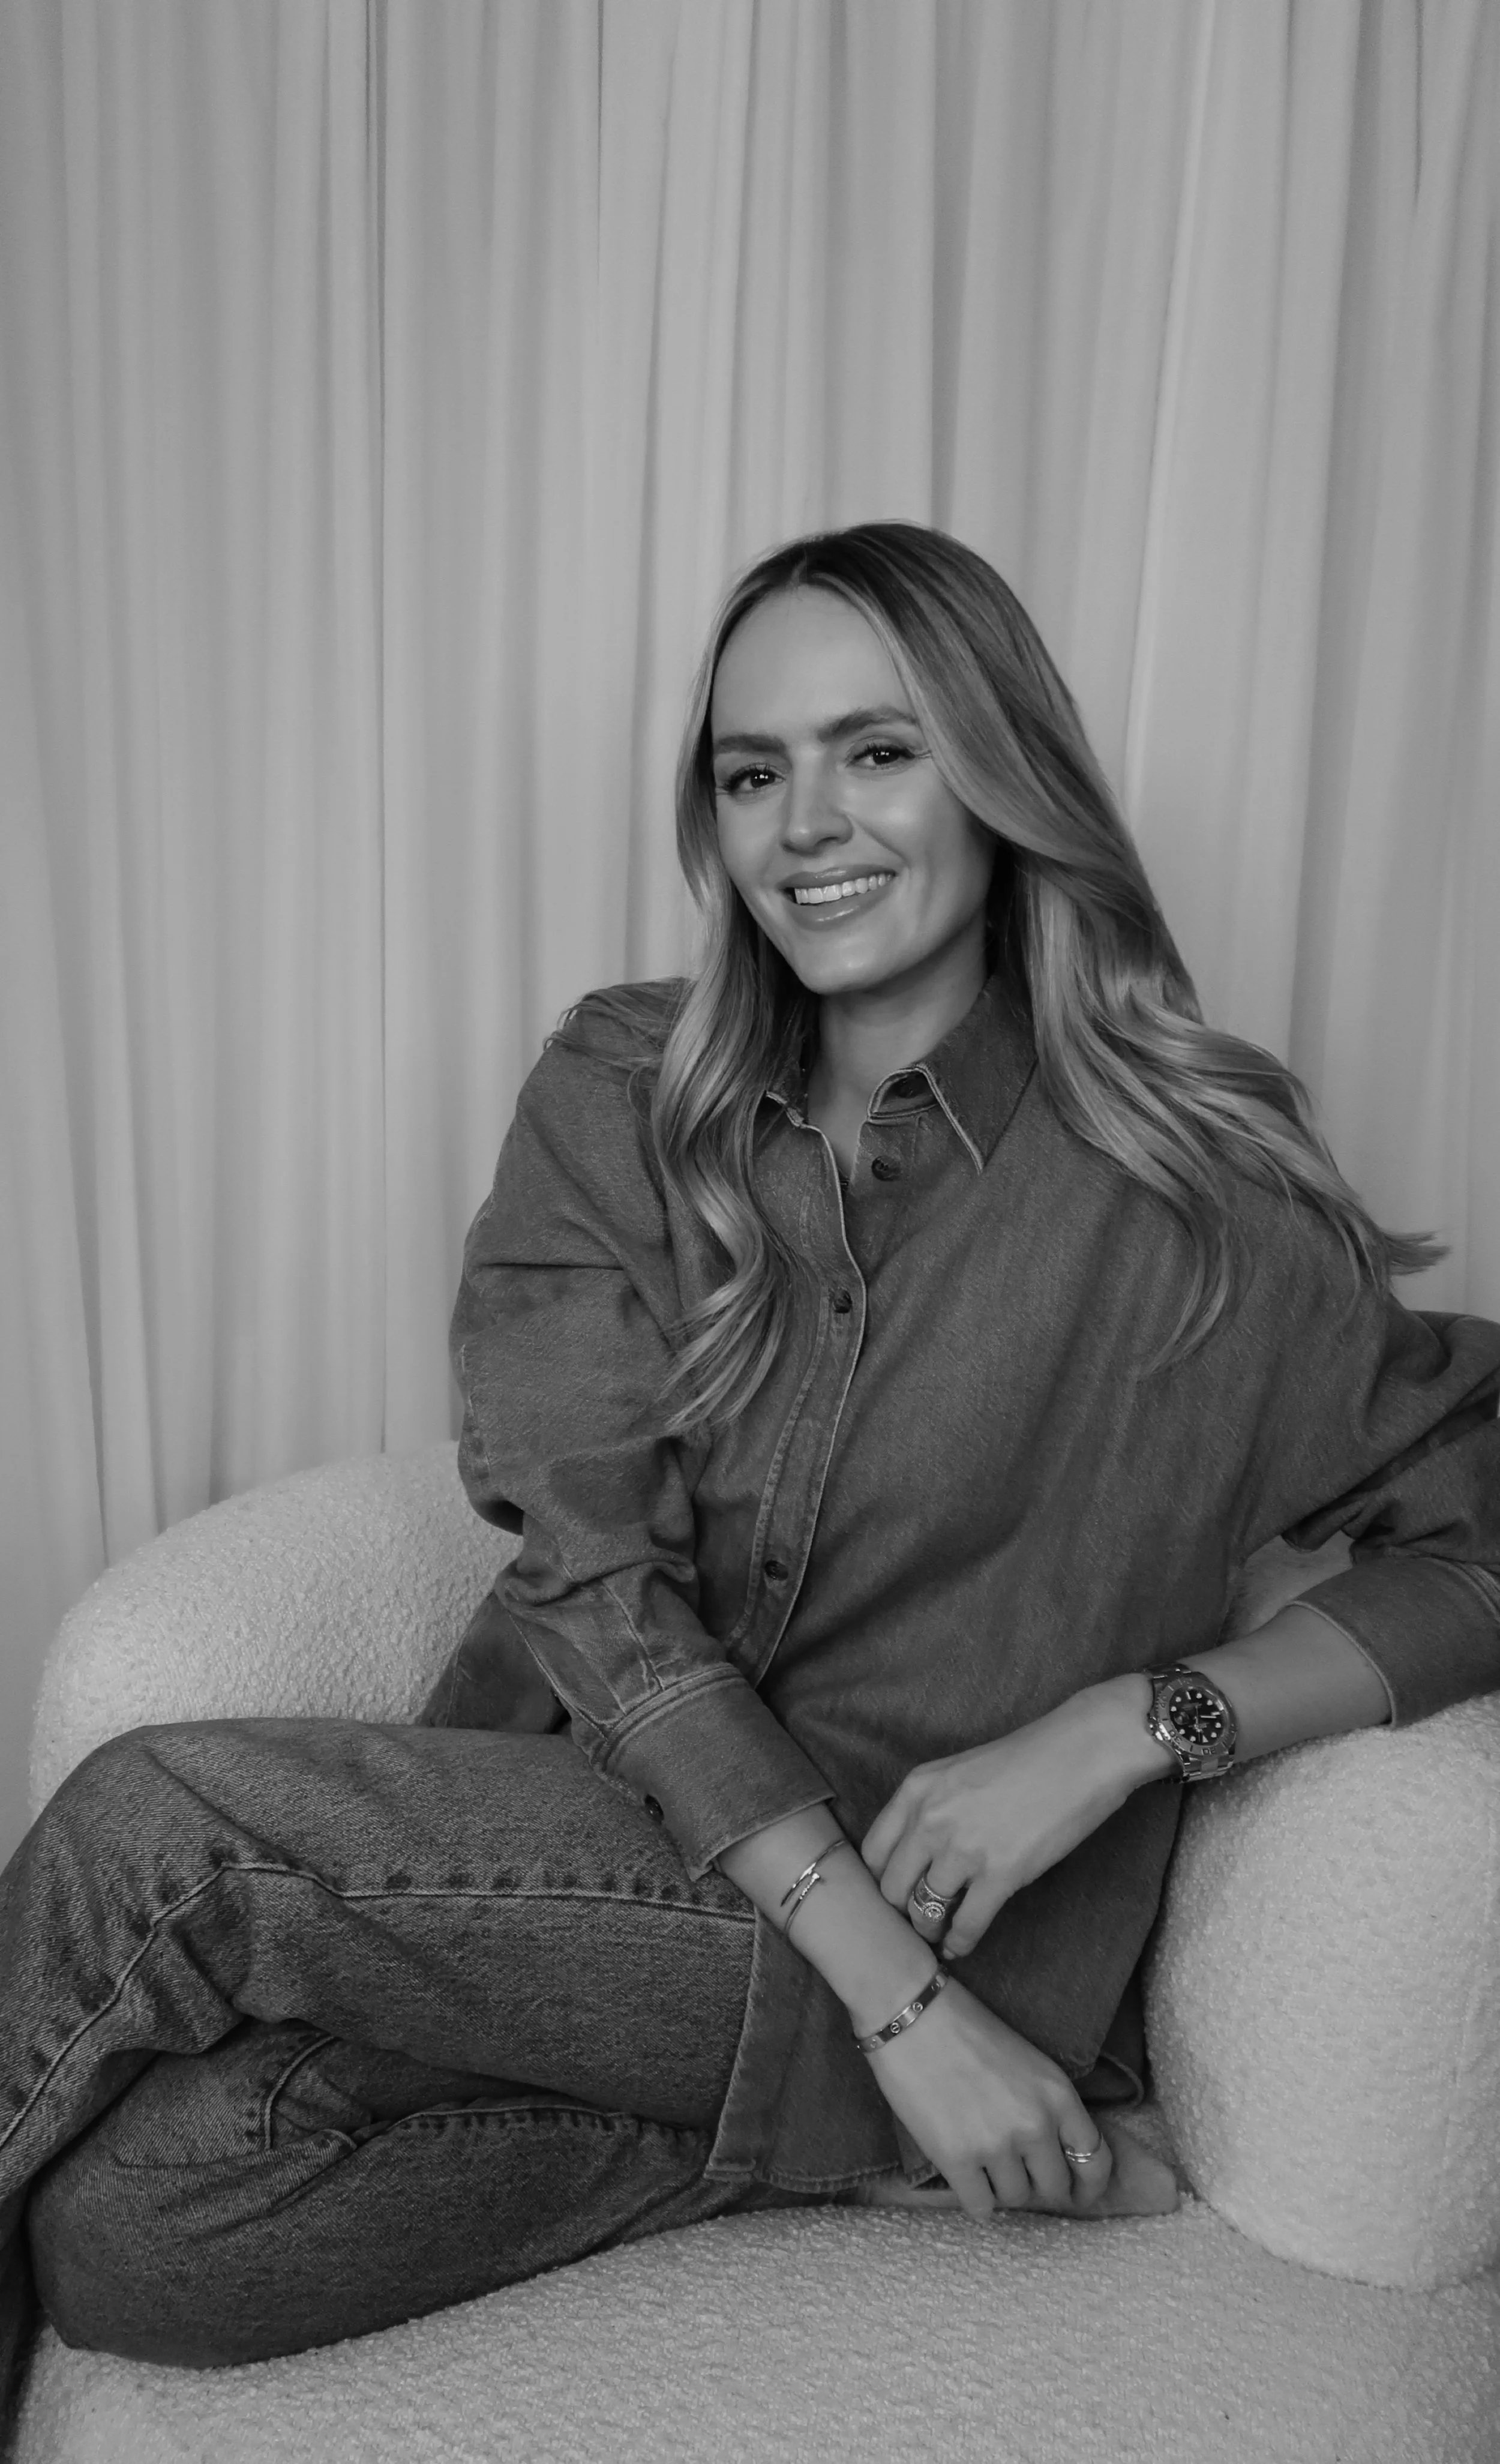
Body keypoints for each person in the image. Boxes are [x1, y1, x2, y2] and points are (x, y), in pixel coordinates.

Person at [2, 521, 1498, 2423]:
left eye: (876, 750)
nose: (806, 824)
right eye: (749, 770)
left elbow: (1480, 1522)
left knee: (160, 1829)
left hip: (941, 1915)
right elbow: (591, 1576)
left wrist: (1137, 1724)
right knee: (129, 2232)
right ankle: (860, 2131)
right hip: (628, 1870)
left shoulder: (1197, 1201)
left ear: (1001, 772)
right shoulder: (623, 1091)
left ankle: (869, 2094)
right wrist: (901, 2022)